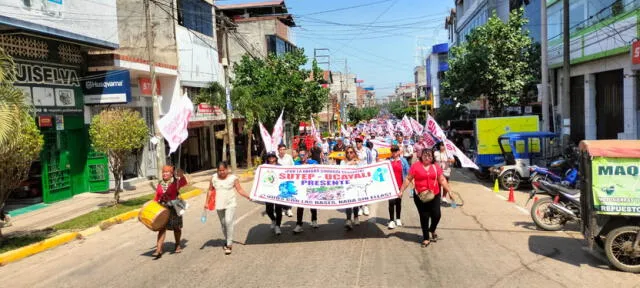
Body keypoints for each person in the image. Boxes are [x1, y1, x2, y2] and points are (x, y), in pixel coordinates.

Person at [399, 149, 454, 247]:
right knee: (424, 216)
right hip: (420, 196)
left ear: (432, 157)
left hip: (435, 194)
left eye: (429, 156)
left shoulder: (436, 167)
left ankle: (432, 229)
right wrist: (401, 190)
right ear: (421, 156)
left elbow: (442, 179)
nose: (427, 157)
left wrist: (449, 191)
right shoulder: (415, 166)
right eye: (425, 155)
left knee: (437, 215)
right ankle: (426, 238)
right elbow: (408, 178)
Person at [207, 162, 250, 255]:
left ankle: (229, 244)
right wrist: (206, 202)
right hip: (219, 204)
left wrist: (248, 196)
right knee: (223, 224)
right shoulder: (213, 178)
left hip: (230, 203)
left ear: (227, 169)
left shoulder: (233, 178)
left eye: (223, 170)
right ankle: (227, 239)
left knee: (228, 221)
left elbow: (240, 189)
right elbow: (210, 190)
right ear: (217, 170)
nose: (222, 172)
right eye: (219, 170)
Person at [152, 165, 188, 258]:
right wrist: (153, 205)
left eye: (167, 172)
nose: (164, 174)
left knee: (176, 228)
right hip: (163, 208)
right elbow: (157, 196)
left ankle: (177, 244)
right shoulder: (160, 184)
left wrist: (181, 174)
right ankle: (158, 249)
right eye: (163, 172)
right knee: (161, 228)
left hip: (174, 208)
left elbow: (184, 182)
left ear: (171, 174)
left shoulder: (176, 182)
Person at [293, 148, 319, 233]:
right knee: (300, 207)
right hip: (301, 189)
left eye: (303, 155)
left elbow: (318, 168)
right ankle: (299, 224)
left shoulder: (313, 162)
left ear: (307, 155)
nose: (302, 157)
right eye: (300, 155)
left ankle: (314, 220)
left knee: (313, 204)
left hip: (311, 187)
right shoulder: (296, 164)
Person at [388, 145, 409, 229]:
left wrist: (412, 181)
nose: (394, 152)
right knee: (391, 203)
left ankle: (398, 218)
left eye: (396, 151)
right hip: (390, 185)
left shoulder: (403, 161)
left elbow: (408, 171)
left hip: (400, 185)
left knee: (398, 202)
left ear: (398, 152)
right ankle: (391, 220)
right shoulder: (388, 161)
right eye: (392, 151)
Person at [263, 152, 284, 235]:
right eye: (269, 157)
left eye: (272, 156)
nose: (271, 158)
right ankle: (273, 220)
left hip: (278, 191)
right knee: (269, 210)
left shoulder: (280, 167)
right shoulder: (264, 167)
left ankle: (278, 226)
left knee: (278, 209)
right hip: (268, 191)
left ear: (275, 157)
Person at [341, 146, 361, 230]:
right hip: (347, 185)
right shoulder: (343, 162)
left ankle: (356, 217)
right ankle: (348, 219)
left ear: (354, 153)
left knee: (355, 202)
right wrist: (349, 164)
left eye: (351, 152)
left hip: (356, 184)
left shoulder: (358, 161)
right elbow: (341, 170)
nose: (349, 154)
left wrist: (356, 163)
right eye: (348, 152)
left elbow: (364, 170)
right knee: (348, 203)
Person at [354, 137, 372, 216]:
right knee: (358, 190)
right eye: (356, 141)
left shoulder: (367, 150)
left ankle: (366, 206)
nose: (357, 143)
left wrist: (369, 171)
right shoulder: (354, 150)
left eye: (359, 141)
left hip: (365, 173)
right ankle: (360, 207)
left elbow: (370, 161)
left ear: (362, 142)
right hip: (356, 173)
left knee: (365, 189)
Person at [276, 144, 295, 217]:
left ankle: (289, 209)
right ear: (278, 150)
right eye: (281, 149)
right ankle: (283, 209)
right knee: (281, 193)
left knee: (288, 194)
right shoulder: (276, 157)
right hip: (279, 179)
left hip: (288, 178)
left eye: (284, 149)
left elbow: (293, 166)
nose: (282, 151)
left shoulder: (289, 157)